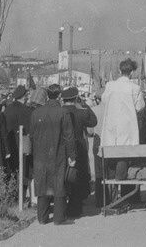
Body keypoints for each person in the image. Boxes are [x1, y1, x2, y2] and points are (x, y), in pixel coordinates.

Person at [30, 84, 77, 225]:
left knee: (42, 183)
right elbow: (69, 137)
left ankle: (42, 218)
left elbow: (31, 135)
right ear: (59, 96)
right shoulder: (63, 113)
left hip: (40, 154)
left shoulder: (36, 112)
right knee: (58, 184)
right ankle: (59, 217)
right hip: (58, 153)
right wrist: (72, 156)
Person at [100, 58, 146, 203]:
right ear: (132, 72)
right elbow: (140, 107)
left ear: (119, 71)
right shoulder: (135, 88)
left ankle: (112, 197)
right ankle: (129, 196)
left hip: (112, 125)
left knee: (111, 157)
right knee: (126, 157)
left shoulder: (110, 85)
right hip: (127, 125)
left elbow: (104, 100)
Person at [61, 86, 98, 217]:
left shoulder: (60, 111)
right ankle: (75, 208)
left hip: (62, 148)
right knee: (77, 178)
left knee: (63, 177)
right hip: (78, 147)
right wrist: (85, 105)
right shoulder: (81, 112)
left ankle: (61, 207)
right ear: (75, 98)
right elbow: (93, 121)